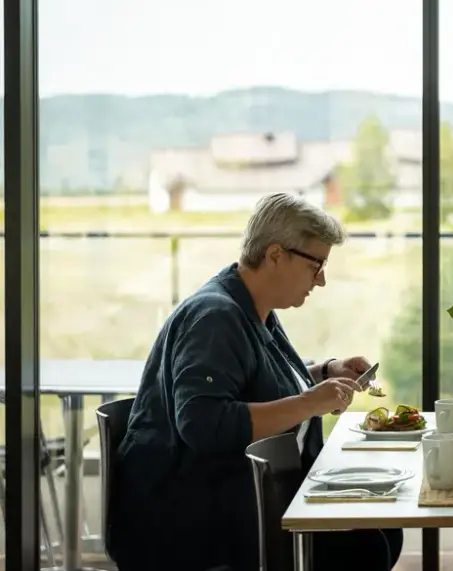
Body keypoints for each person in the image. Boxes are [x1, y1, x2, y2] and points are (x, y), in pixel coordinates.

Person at [110, 192, 403, 571]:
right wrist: (309, 403)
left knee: (382, 529)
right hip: (191, 516)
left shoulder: (251, 308)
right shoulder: (214, 318)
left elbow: (259, 384)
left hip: (240, 495)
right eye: (316, 265)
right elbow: (203, 424)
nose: (321, 280)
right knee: (366, 547)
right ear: (276, 255)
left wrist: (325, 373)